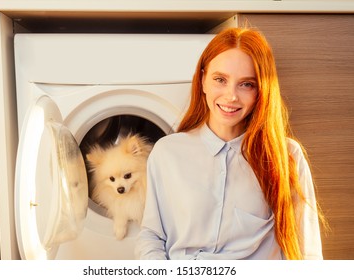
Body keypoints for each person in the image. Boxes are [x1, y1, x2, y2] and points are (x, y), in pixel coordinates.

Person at [135, 27, 324, 260]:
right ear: (202, 80)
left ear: (261, 92)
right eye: (220, 80)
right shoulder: (167, 152)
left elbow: (307, 253)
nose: (231, 96)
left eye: (246, 84)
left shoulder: (287, 157)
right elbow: (152, 235)